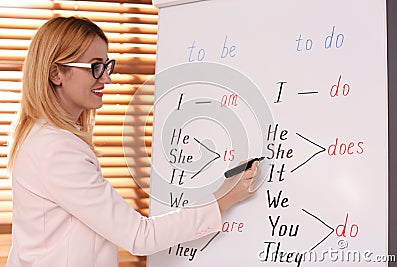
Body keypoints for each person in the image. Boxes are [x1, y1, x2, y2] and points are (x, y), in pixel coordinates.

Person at [6, 17, 259, 267]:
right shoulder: (57, 150)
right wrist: (222, 199)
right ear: (56, 73)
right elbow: (140, 237)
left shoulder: (39, 137)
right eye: (95, 67)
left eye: (107, 66)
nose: (107, 79)